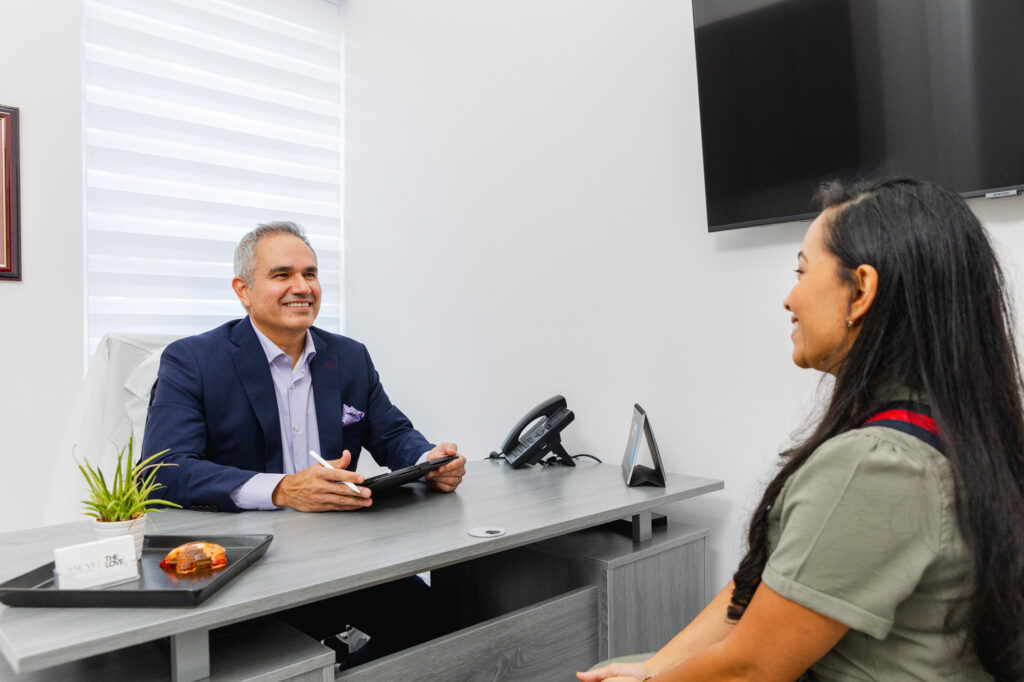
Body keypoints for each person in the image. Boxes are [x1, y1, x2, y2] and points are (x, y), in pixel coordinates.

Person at [579, 179, 1024, 681]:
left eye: (801, 270)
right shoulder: (955, 429)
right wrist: (656, 669)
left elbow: (748, 669)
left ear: (861, 291)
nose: (789, 298)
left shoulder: (876, 465)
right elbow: (764, 590)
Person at [142, 220, 468, 667]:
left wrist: (427, 459)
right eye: (282, 275)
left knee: (441, 627)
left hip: (341, 557)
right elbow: (164, 470)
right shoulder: (192, 360)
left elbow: (391, 433)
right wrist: (282, 489)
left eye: (310, 274)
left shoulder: (349, 356)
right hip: (248, 568)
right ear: (243, 289)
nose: (302, 287)